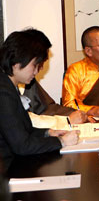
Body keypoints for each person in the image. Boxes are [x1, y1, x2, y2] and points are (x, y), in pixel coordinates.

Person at [0, 30, 79, 161]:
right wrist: (61, 142)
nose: (37, 71)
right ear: (17, 62)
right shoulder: (4, 93)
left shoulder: (9, 85)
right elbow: (22, 146)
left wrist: (48, 133)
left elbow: (24, 130)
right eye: (35, 65)